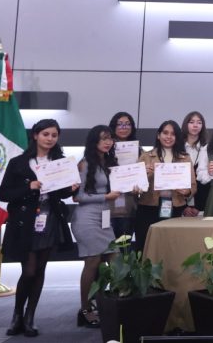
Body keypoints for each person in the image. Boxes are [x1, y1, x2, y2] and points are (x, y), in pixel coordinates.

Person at [0, 119, 78, 337]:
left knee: (40, 269)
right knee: (29, 269)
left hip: (49, 218)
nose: (50, 139)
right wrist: (29, 186)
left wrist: (70, 189)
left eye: (54, 135)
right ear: (35, 135)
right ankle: (17, 315)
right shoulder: (19, 162)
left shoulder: (61, 162)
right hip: (25, 222)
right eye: (45, 134)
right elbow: (3, 194)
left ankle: (30, 316)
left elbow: (59, 194)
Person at [71, 125, 117, 328]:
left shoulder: (107, 162)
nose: (108, 142)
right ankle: (85, 309)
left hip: (105, 218)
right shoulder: (85, 163)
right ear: (94, 141)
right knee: (92, 262)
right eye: (103, 139)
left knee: (116, 260)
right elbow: (77, 196)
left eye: (110, 138)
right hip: (87, 219)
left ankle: (107, 304)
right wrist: (105, 196)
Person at [136, 120, 196, 247]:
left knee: (173, 246)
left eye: (173, 134)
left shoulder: (185, 157)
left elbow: (193, 185)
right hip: (149, 207)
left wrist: (187, 192)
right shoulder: (145, 156)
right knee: (147, 245)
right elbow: (135, 187)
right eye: (165, 133)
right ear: (158, 135)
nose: (169, 137)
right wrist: (145, 175)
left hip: (176, 206)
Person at [108, 111, 138, 239]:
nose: (123, 128)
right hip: (107, 203)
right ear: (113, 127)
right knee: (107, 248)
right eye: (119, 124)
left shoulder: (138, 149)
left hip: (130, 204)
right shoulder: (105, 147)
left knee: (124, 247)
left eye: (127, 124)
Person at [181, 111, 209, 217]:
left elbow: (207, 180)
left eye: (199, 122)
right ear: (185, 124)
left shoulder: (207, 148)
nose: (195, 125)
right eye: (192, 122)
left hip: (201, 206)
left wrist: (199, 207)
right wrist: (184, 207)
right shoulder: (178, 148)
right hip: (179, 205)